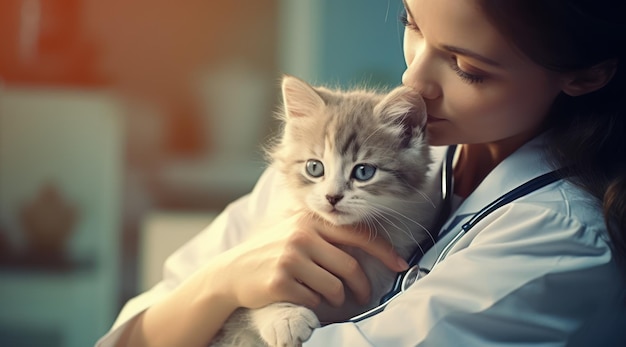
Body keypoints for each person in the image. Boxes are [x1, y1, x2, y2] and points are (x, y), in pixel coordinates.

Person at [97, 0, 626, 345]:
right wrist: (220, 283)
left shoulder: (558, 242)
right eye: (412, 26)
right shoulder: (340, 156)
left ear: (584, 76)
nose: (414, 78)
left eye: (468, 68)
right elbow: (125, 336)